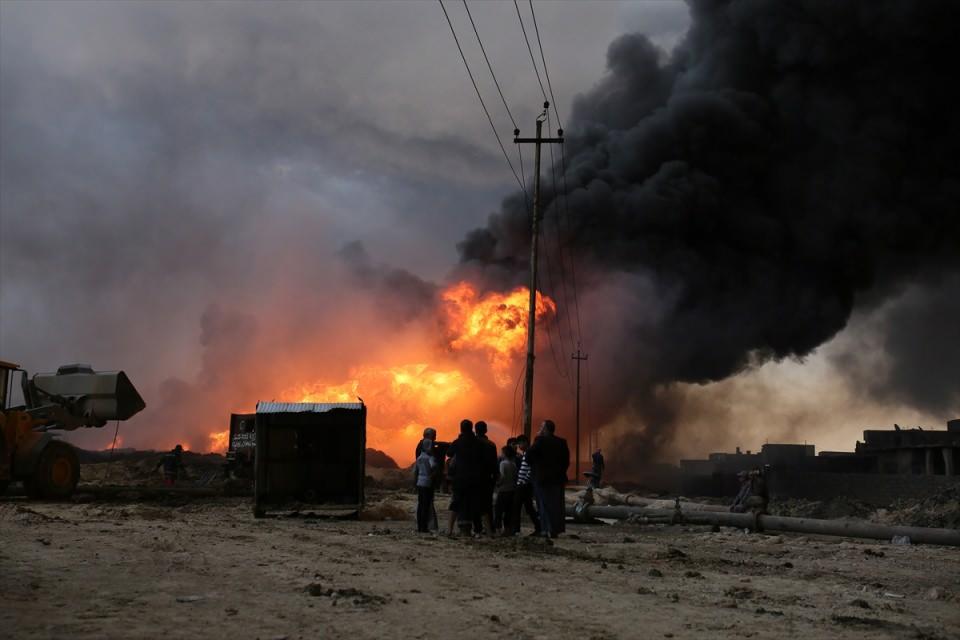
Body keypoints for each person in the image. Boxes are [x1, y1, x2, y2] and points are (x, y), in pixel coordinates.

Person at [527, 420, 569, 538]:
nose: (540, 429)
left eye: (541, 427)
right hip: (558, 479)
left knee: (543, 505)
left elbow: (529, 456)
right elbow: (566, 461)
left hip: (542, 479)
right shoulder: (562, 442)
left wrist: (536, 467)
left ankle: (546, 530)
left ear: (545, 429)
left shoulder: (540, 440)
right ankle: (555, 530)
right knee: (557, 506)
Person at [445, 419, 485, 536]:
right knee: (475, 503)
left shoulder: (458, 442)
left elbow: (449, 453)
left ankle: (449, 529)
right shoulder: (478, 443)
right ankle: (484, 531)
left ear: (461, 429)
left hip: (460, 478)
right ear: (471, 428)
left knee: (456, 503)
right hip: (475, 478)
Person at [511, 435, 541, 535]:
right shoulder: (526, 453)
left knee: (516, 507)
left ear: (525, 442)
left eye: (520, 443)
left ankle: (516, 529)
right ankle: (538, 527)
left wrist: (524, 481)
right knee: (529, 508)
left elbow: (531, 469)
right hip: (524, 484)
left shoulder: (529, 453)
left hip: (523, 485)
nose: (519, 446)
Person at [473, 421, 498, 536]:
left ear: (475, 430)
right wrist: (495, 478)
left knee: (475, 503)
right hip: (487, 478)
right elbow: (494, 464)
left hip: (474, 478)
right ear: (486, 430)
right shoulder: (491, 444)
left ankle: (477, 528)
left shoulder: (473, 443)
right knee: (487, 505)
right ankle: (490, 528)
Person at [414, 427, 440, 530]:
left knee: (421, 504)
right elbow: (434, 468)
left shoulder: (420, 456)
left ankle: (420, 526)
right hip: (427, 482)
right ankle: (425, 526)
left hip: (420, 482)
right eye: (434, 436)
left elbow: (416, 470)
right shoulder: (430, 457)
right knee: (426, 503)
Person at [494, 445, 517, 534]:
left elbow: (502, 476)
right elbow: (515, 477)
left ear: (505, 454)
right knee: (508, 511)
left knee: (498, 510)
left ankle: (498, 528)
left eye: (502, 452)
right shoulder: (513, 464)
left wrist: (498, 484)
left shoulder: (503, 463)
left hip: (503, 490)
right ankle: (507, 529)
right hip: (511, 490)